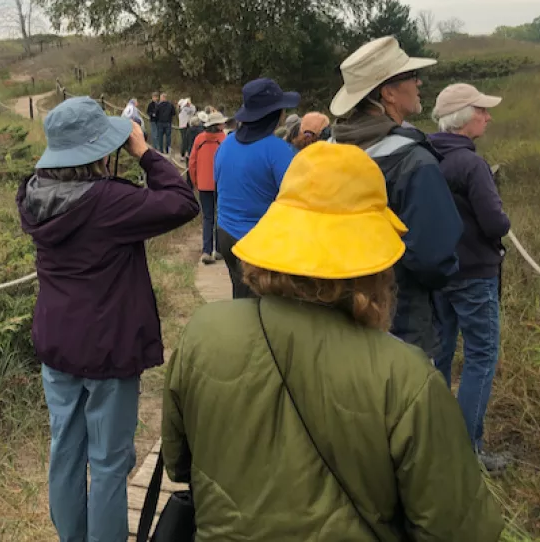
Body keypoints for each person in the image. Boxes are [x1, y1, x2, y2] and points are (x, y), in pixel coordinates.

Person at [162, 142, 504, 542]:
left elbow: (178, 463)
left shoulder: (203, 333)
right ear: (374, 261)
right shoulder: (406, 378)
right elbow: (457, 528)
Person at [16, 97, 199, 542]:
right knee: (110, 461)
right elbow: (181, 201)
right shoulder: (111, 202)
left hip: (56, 345)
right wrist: (143, 152)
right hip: (108, 348)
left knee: (64, 451)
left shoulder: (31, 195)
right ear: (99, 150)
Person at [330, 36, 463, 358]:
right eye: (410, 77)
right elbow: (435, 259)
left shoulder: (330, 152)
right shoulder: (414, 162)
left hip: (336, 312)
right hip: (400, 320)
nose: (418, 83)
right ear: (387, 93)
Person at [429, 83, 511, 471]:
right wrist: (503, 216)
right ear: (464, 118)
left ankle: (438, 442)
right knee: (481, 356)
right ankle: (468, 453)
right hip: (474, 274)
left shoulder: (427, 157)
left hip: (438, 272)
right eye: (482, 110)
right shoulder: (471, 165)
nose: (488, 117)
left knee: (441, 353)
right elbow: (495, 223)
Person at [214, 78, 299, 298]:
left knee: (240, 298)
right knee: (264, 308)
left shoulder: (226, 144)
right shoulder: (279, 151)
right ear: (276, 115)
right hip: (258, 242)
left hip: (225, 234)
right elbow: (296, 200)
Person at [189, 110, 227, 264]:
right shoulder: (224, 139)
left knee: (207, 217)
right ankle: (218, 249)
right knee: (220, 216)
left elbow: (192, 163)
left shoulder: (199, 139)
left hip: (204, 184)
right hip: (221, 183)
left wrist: (195, 181)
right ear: (218, 125)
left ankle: (206, 250)